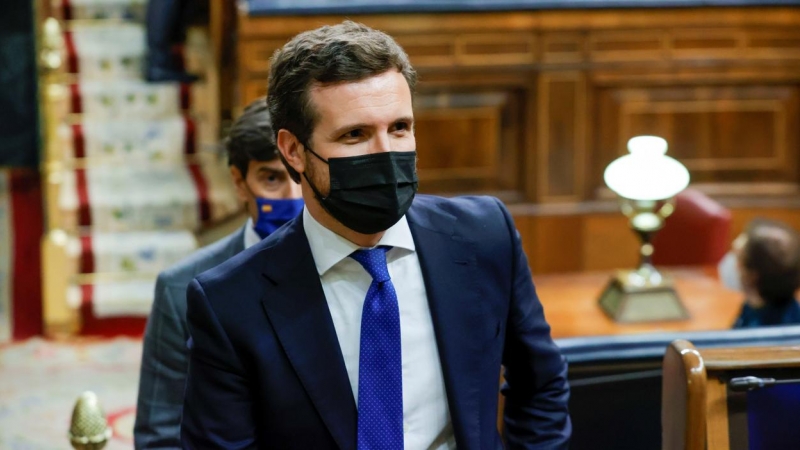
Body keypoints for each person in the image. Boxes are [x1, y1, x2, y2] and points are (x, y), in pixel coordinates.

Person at [181, 21, 571, 449]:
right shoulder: (229, 301)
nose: (386, 154)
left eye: (400, 128)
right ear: (293, 150)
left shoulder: (483, 234)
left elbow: (540, 385)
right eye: (355, 135)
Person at [134, 99, 302, 449]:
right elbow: (160, 435)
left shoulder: (361, 264)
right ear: (239, 183)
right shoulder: (180, 288)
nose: (293, 197)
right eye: (272, 178)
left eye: (301, 177)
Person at [718, 218, 800, 328]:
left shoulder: (762, 333)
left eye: (737, 258)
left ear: (752, 276)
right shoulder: (754, 306)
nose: (730, 264)